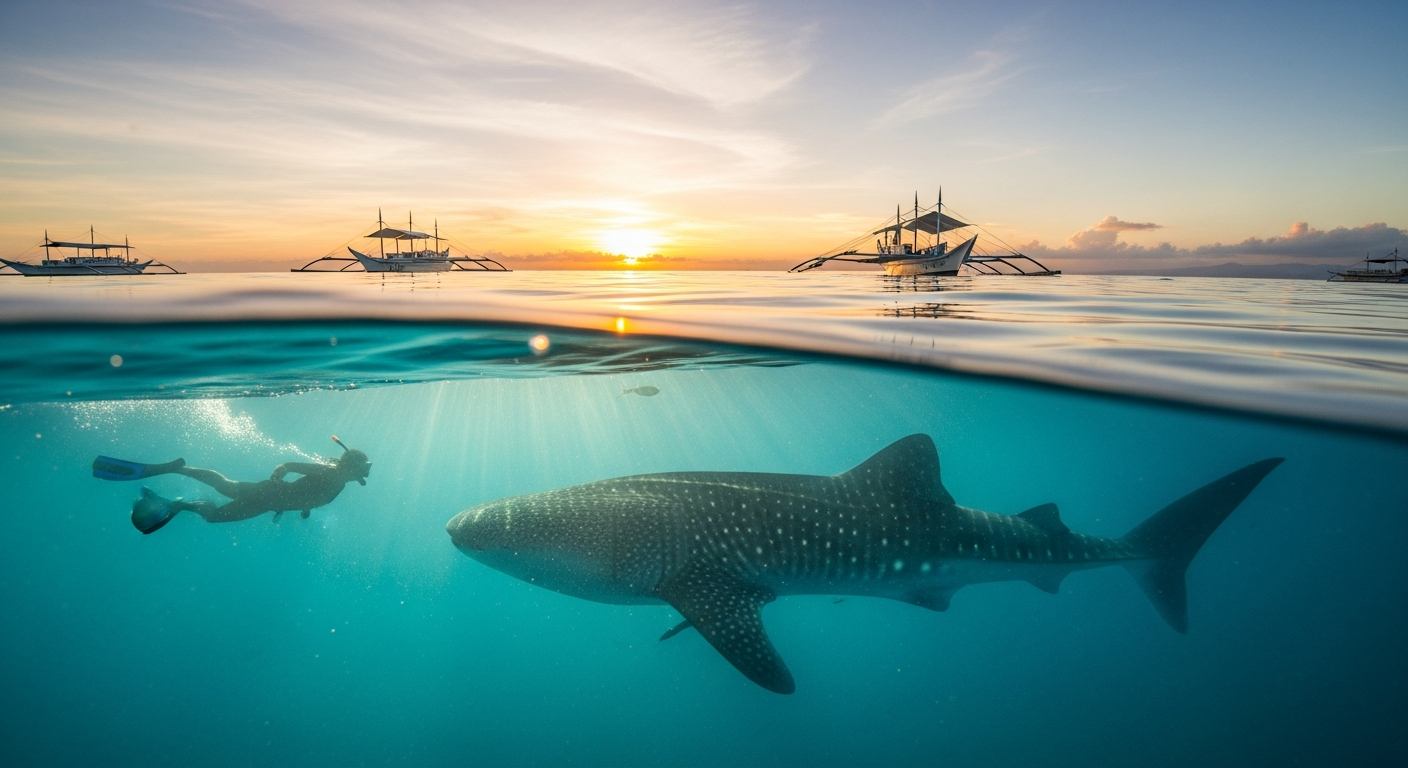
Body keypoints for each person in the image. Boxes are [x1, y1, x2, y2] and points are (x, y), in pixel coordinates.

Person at [92, 436, 371, 534]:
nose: (365, 475)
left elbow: (309, 495)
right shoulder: (331, 474)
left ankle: (179, 485)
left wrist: (300, 508)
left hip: (268, 501)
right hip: (266, 496)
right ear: (352, 467)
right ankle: (180, 484)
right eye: (364, 469)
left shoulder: (338, 484)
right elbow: (291, 466)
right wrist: (280, 473)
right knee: (218, 502)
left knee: (219, 497)